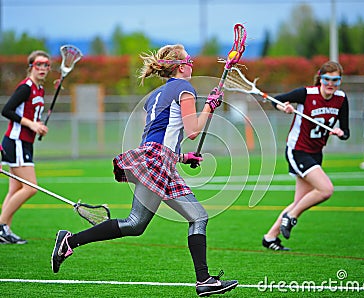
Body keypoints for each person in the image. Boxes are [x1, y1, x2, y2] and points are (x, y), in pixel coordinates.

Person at [51, 44, 238, 297]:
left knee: (136, 224)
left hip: (154, 158)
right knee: (197, 217)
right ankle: (203, 280)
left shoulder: (154, 96)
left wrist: (181, 156)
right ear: (182, 66)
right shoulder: (185, 88)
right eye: (189, 60)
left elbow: (158, 135)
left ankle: (69, 241)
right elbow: (192, 130)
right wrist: (209, 106)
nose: (191, 64)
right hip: (158, 161)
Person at [261, 61, 350, 251]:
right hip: (298, 150)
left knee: (298, 202)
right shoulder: (306, 93)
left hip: (316, 153)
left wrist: (340, 132)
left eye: (336, 80)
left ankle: (270, 237)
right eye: (327, 79)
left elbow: (346, 130)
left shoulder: (341, 99)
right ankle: (291, 217)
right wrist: (283, 108)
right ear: (321, 78)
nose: (331, 84)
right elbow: (275, 100)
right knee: (326, 189)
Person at [0, 50, 50, 244]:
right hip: (16, 142)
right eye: (39, 64)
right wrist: (32, 124)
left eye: (46, 65)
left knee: (15, 189)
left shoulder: (40, 90)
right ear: (31, 66)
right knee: (31, 188)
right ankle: (2, 225)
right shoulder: (26, 88)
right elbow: (7, 110)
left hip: (26, 143)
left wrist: (38, 127)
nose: (43, 68)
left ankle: (5, 231)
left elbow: (30, 115)